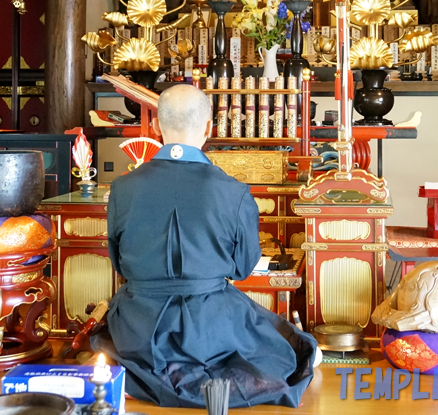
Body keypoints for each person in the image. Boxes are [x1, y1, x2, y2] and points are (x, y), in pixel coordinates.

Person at [93, 84, 318, 409]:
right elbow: (242, 268)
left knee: (107, 352)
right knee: (296, 353)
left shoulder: (122, 188)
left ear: (156, 125)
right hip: (210, 323)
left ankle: (142, 380)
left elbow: (119, 261)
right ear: (209, 128)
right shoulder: (233, 191)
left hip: (137, 326)